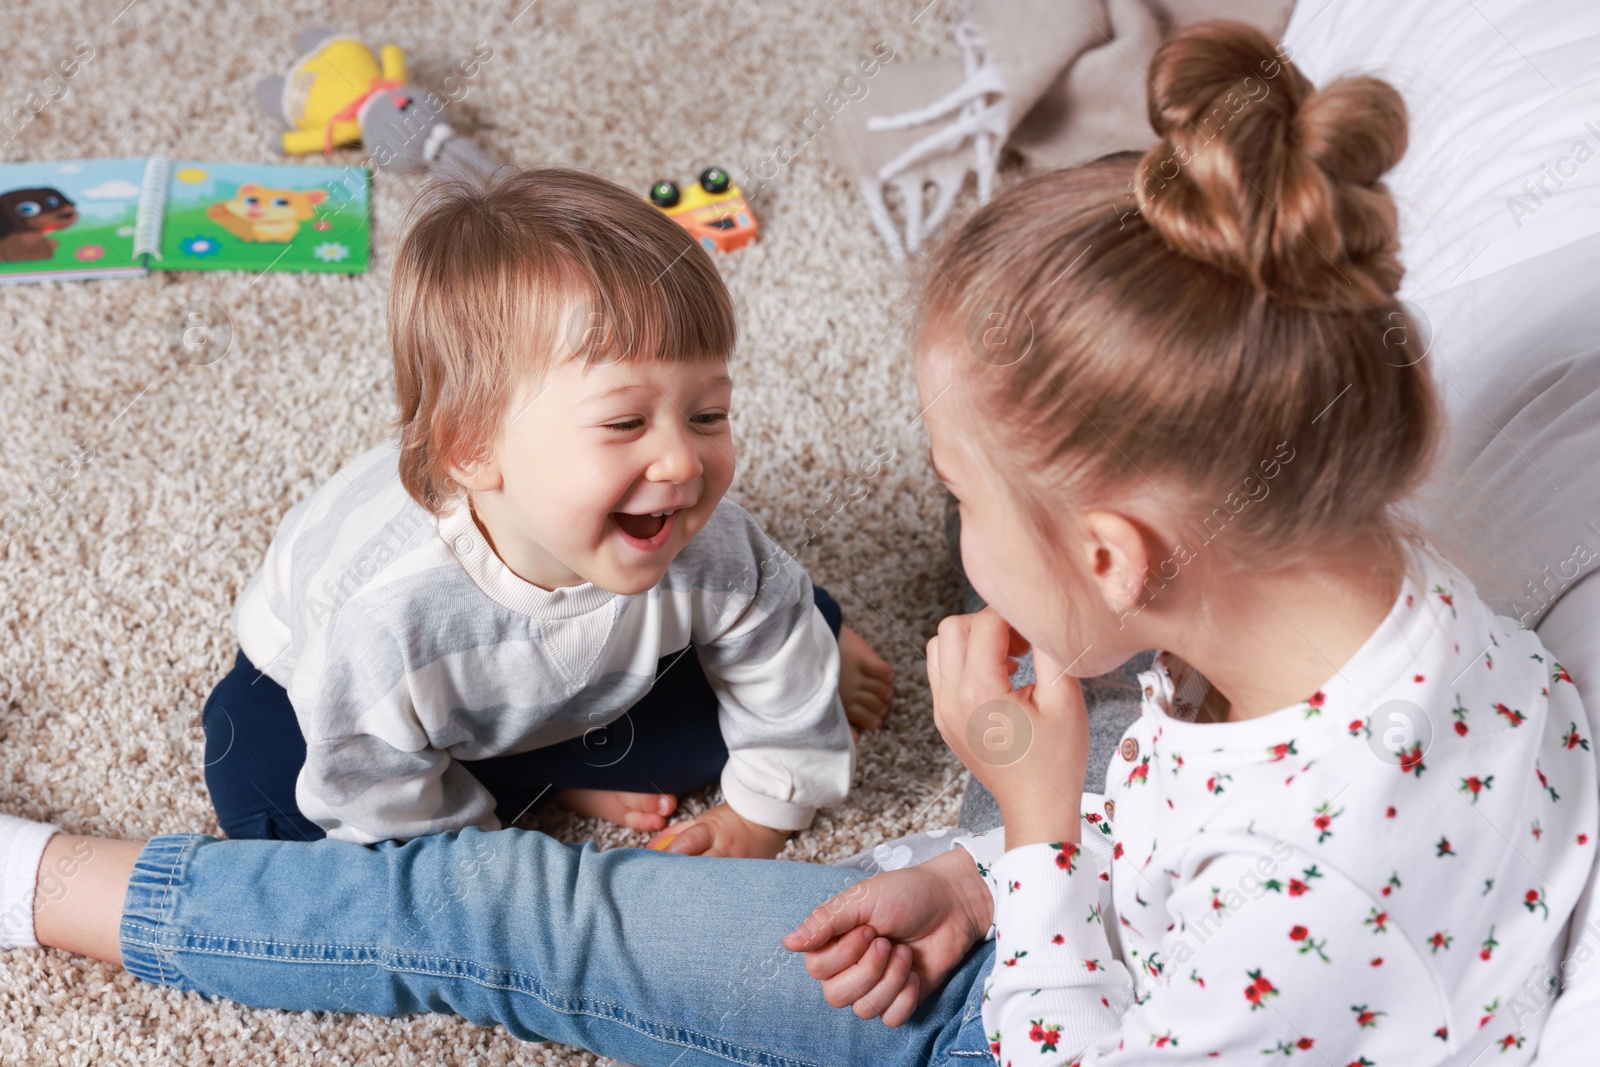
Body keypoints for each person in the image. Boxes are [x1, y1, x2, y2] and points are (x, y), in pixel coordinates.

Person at [0, 17, 1591, 1067]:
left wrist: (1031, 834)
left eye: (964, 496)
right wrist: (967, 871)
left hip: (1046, 1017)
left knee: (503, 914)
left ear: (1112, 558)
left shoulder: (1305, 874)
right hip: (1077, 919)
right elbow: (1199, 800)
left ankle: (46, 888)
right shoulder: (1407, 604)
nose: (947, 529)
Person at [194, 166, 895, 854]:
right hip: (319, 686)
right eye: (626, 423)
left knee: (775, 648)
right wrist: (486, 869)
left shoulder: (706, 539)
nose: (683, 462)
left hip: (556, 682)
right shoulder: (384, 615)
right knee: (266, 797)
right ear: (472, 447)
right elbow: (367, 790)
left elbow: (772, 671)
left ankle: (531, 761)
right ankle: (529, 771)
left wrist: (762, 812)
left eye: (708, 413)